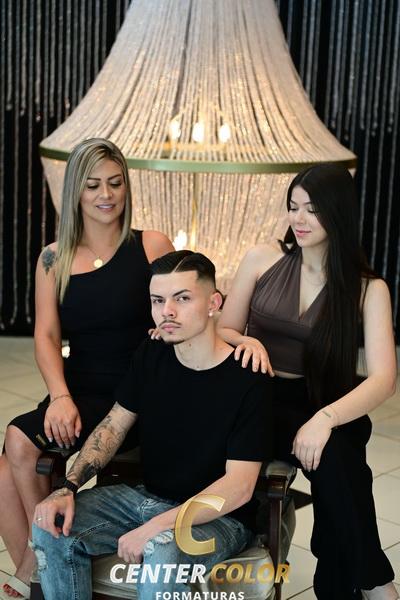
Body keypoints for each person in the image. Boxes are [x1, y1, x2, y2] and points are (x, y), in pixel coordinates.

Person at [31, 250, 271, 600]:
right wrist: (67, 487)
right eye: (158, 300)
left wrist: (156, 527)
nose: (167, 311)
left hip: (218, 519)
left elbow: (239, 486)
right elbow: (113, 426)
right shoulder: (152, 352)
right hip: (145, 498)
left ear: (214, 303)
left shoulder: (249, 377)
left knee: (162, 554)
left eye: (182, 298)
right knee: (50, 525)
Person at [0, 138, 174, 599]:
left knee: (17, 439)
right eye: (93, 185)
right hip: (78, 387)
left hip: (134, 394)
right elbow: (46, 336)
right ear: (76, 190)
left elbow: (180, 308)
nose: (106, 194)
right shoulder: (53, 258)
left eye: (115, 183)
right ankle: (43, 568)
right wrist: (60, 395)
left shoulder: (151, 245)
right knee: (4, 469)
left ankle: (33, 567)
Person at [217, 163, 398, 600]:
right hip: (257, 396)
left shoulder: (367, 289)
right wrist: (246, 341)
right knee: (343, 468)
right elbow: (223, 329)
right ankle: (375, 586)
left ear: (337, 213)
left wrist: (325, 418)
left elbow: (385, 379)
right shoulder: (262, 258)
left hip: (321, 400)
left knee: (337, 460)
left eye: (311, 209)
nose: (298, 219)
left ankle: (349, 584)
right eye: (293, 207)